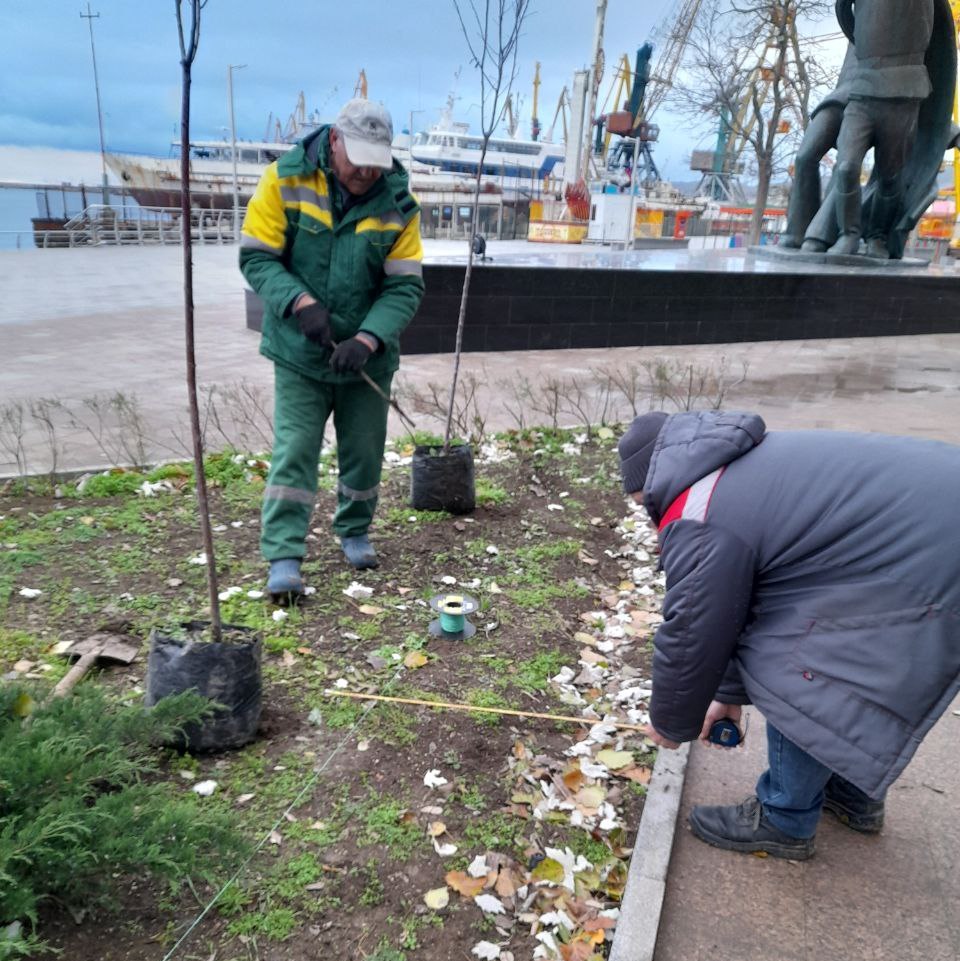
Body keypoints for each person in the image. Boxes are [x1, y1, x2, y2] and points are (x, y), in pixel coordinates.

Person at [617, 409, 960, 860]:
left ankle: (785, 818)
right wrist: (727, 695)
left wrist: (669, 722)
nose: (647, 513)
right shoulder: (739, 466)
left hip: (927, 556)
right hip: (929, 531)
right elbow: (747, 601)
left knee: (799, 660)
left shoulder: (698, 511)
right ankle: (851, 792)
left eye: (642, 501)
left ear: (651, 480)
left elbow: (694, 629)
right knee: (830, 647)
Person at [240, 99, 424, 599]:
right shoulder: (284, 179)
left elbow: (404, 286)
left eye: (376, 162)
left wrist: (368, 339)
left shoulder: (398, 202)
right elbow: (257, 258)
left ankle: (355, 529)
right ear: (335, 140)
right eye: (357, 158)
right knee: (294, 451)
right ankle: (283, 554)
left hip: (367, 357)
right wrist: (298, 302)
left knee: (363, 453)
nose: (366, 171)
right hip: (301, 354)